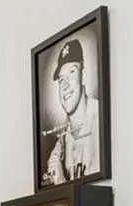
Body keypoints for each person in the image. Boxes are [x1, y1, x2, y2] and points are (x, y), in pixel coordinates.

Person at [41, 39, 103, 184]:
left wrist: (61, 182)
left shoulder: (100, 119)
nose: (65, 85)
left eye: (72, 73)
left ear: (84, 76)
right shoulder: (63, 140)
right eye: (61, 80)